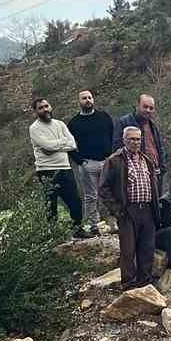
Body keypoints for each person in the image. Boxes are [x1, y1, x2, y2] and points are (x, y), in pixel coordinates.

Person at [97, 125, 159, 288]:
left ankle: (145, 282)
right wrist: (117, 210)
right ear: (124, 140)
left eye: (138, 139)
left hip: (147, 209)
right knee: (128, 250)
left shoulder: (147, 160)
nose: (135, 142)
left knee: (147, 248)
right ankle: (129, 284)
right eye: (131, 139)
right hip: (127, 210)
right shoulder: (114, 160)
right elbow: (103, 188)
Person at [28, 98, 88, 237]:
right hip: (46, 170)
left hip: (65, 168)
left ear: (51, 106)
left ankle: (77, 229)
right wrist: (62, 143)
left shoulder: (60, 124)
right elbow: (46, 146)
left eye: (47, 105)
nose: (45, 109)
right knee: (51, 203)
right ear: (36, 111)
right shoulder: (34, 128)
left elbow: (72, 144)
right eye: (41, 107)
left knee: (75, 200)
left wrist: (54, 146)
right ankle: (54, 234)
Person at [68, 89, 115, 233]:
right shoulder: (74, 123)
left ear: (93, 99)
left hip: (107, 162)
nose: (87, 100)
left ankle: (114, 223)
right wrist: (80, 161)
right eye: (84, 98)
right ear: (79, 102)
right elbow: (69, 144)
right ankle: (94, 226)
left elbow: (113, 135)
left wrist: (112, 157)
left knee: (111, 193)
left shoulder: (104, 116)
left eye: (89, 97)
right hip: (88, 164)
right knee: (90, 196)